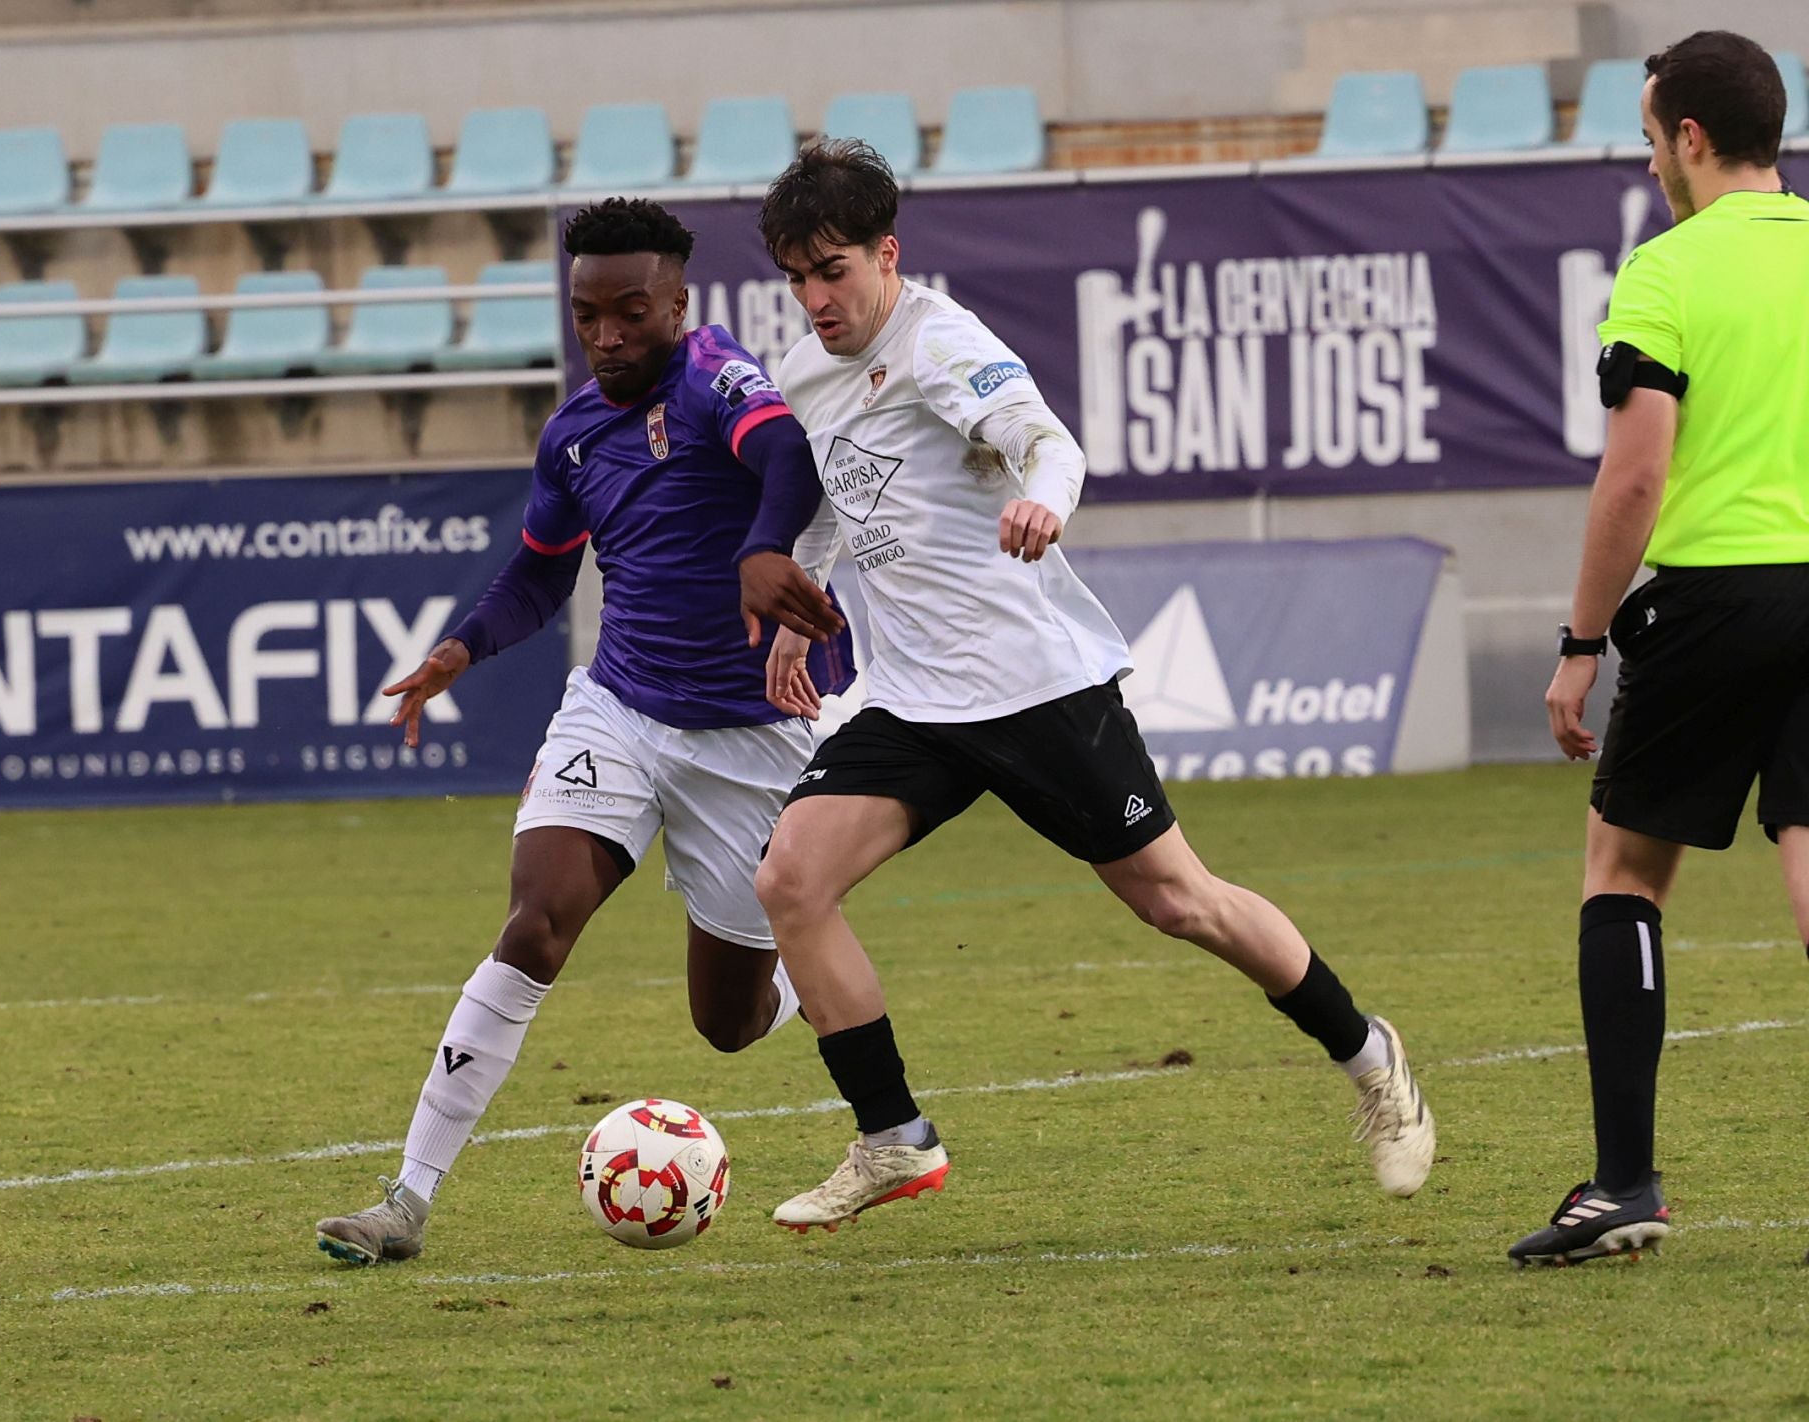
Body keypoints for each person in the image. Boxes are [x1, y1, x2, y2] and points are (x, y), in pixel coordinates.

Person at [747, 140, 1435, 1235]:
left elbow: (1047, 444)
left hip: (1035, 688)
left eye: (832, 269)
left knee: (1179, 903)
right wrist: (803, 599)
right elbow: (836, 495)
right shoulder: (804, 370)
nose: (815, 296)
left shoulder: (942, 343)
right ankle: (893, 1138)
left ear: (888, 252)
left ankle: (1369, 1056)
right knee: (789, 880)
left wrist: (1044, 503)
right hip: (913, 699)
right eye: (796, 275)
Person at [314, 197, 852, 1265]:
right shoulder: (572, 435)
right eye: (586, 313)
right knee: (534, 924)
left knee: (730, 1025)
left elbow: (788, 455)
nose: (606, 334)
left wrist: (762, 547)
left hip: (749, 743)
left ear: (678, 304)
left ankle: (800, 969)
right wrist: (461, 650)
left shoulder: (715, 380)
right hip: (618, 709)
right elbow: (541, 568)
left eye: (629, 311)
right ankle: (407, 1202)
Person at [1510, 31, 1809, 1268]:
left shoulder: (1668, 271)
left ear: (1689, 138)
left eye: (1648, 138)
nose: (1648, 164)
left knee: (1623, 872)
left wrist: (1582, 641)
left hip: (1721, 604)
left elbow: (1636, 476)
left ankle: (1624, 1181)